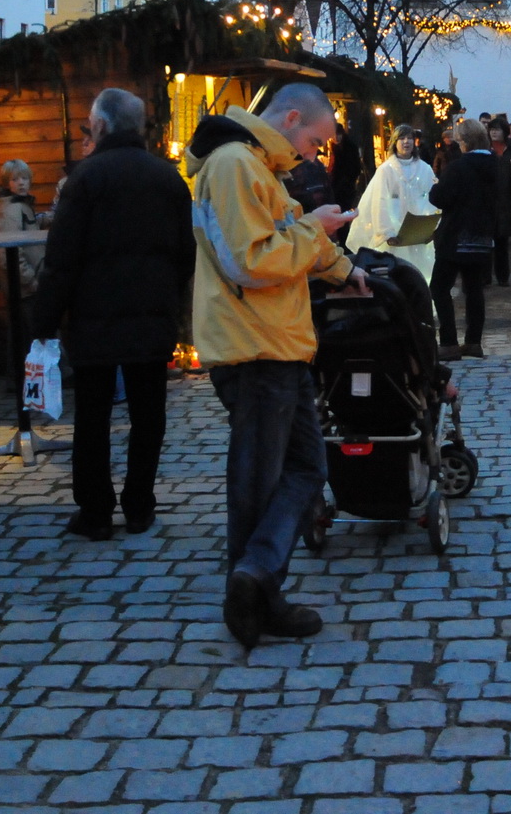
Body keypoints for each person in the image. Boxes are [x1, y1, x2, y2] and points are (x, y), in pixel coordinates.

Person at [189, 83, 369, 648]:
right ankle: (254, 587)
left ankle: (257, 577)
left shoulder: (257, 165)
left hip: (275, 343)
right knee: (259, 481)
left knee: (304, 468)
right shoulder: (236, 165)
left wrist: (343, 270)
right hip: (255, 345)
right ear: (291, 119)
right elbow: (252, 262)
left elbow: (287, 234)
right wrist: (316, 228)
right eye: (315, 142)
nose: (315, 154)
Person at [36, 89, 196, 541]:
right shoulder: (168, 180)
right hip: (152, 315)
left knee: (93, 416)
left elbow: (61, 257)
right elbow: (186, 252)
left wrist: (45, 320)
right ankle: (140, 504)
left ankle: (96, 511)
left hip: (95, 316)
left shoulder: (86, 179)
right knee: (149, 414)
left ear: (101, 126)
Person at [428, 119, 498, 360]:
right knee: (474, 289)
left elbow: (440, 198)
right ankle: (473, 342)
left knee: (439, 287)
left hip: (455, 235)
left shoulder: (459, 167)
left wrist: (435, 187)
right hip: (482, 235)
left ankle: (449, 342)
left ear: (465, 142)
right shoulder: (495, 165)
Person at [349, 124, 438, 282]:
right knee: (397, 274)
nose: (406, 142)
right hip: (395, 234)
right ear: (394, 142)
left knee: (420, 275)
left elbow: (432, 197)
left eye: (409, 138)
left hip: (418, 234)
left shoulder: (424, 169)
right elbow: (379, 202)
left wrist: (431, 227)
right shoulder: (386, 170)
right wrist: (386, 232)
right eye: (401, 138)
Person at [0, 159, 46, 294]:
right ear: (6, 183)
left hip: (27, 284)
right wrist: (30, 280)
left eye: (24, 178)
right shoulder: (11, 209)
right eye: (14, 179)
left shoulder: (19, 205)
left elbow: (29, 225)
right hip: (25, 288)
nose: (21, 183)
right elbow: (6, 253)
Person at [486, 119, 511, 286]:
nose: (494, 132)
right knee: (486, 242)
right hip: (487, 201)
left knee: (501, 242)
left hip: (506, 200)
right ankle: (485, 276)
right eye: (492, 129)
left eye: (497, 129)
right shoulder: (485, 150)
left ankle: (502, 276)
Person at [328, 119, 364, 212]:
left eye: (338, 135)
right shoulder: (335, 147)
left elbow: (355, 167)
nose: (336, 138)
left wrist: (348, 181)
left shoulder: (349, 147)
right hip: (336, 186)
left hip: (346, 187)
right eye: (334, 136)